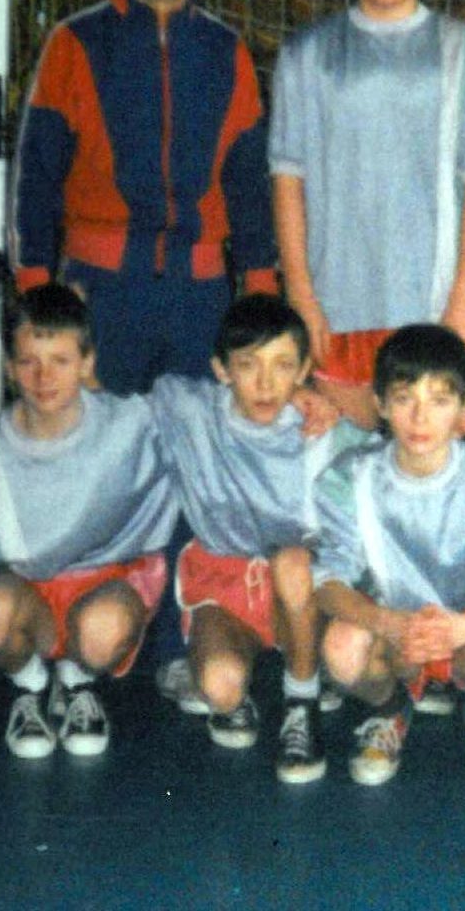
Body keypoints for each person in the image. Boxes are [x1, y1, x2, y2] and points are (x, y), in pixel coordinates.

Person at [9, 0, 278, 395]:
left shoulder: (228, 53)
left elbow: (248, 183)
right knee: (100, 443)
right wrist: (38, 292)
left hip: (201, 299)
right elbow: (35, 178)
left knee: (194, 442)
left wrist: (260, 289)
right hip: (97, 293)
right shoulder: (75, 44)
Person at [0, 284, 177, 779]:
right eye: (28, 361)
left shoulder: (132, 425)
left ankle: (76, 680)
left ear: (88, 363)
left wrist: (305, 402)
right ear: (9, 369)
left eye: (60, 361)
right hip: (31, 594)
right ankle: (30, 686)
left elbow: (220, 415)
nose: (44, 377)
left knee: (103, 631)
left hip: (109, 584)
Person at [270, 0, 465, 430]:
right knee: (340, 465)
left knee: (425, 466)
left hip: (429, 304)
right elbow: (287, 180)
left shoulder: (464, 51)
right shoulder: (307, 53)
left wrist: (463, 305)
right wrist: (301, 295)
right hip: (336, 302)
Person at [308, 325, 465, 788]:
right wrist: (389, 623)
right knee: (341, 649)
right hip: (396, 628)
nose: (420, 417)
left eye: (440, 400)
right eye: (405, 398)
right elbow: (327, 586)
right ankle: (388, 709)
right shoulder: (349, 477)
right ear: (380, 403)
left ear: (464, 408)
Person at [149, 294, 371, 784]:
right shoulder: (190, 412)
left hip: (301, 590)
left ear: (305, 370)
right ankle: (247, 680)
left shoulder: (324, 432)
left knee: (293, 560)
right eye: (249, 365)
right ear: (221, 369)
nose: (266, 384)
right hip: (224, 587)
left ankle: (301, 699)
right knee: (219, 687)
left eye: (283, 366)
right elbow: (141, 395)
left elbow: (392, 474)